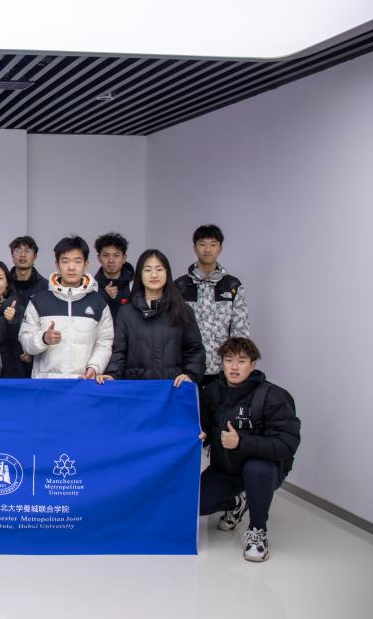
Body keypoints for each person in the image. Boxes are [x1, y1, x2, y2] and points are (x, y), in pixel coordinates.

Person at [199, 337, 300, 562]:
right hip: (226, 469)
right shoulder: (211, 392)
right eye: (229, 360)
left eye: (242, 361)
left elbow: (287, 444)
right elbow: (204, 424)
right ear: (222, 363)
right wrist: (201, 434)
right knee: (197, 503)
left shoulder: (273, 396)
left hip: (263, 470)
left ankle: (257, 531)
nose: (234, 367)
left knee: (256, 469)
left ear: (253, 365)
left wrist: (241, 442)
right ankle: (237, 503)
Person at [100, 249, 205, 385]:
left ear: (167, 273)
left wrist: (191, 374)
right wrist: (112, 374)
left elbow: (195, 349)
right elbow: (119, 352)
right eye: (148, 270)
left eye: (159, 269)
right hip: (137, 388)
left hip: (173, 388)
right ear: (140, 274)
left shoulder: (182, 310)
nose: (154, 275)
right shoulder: (126, 312)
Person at [18, 236, 114, 379]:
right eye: (65, 261)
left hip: (83, 383)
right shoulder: (39, 300)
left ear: (86, 264)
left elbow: (104, 341)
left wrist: (94, 367)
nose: (71, 267)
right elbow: (25, 341)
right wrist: (43, 338)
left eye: (77, 261)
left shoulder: (98, 302)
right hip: (46, 385)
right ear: (57, 264)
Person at [175, 224, 250, 387]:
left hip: (221, 371)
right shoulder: (180, 286)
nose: (207, 249)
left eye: (213, 244)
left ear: (220, 249)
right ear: (194, 248)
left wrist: (235, 367)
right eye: (202, 244)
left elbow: (240, 331)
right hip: (186, 370)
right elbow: (171, 329)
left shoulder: (232, 286)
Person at [9, 235, 49, 376]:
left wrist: (33, 350)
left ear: (35, 256)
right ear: (12, 255)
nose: (22, 255)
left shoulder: (46, 287)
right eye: (18, 250)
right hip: (8, 354)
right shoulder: (3, 285)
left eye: (27, 251)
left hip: (37, 355)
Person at [94, 232, 134, 316]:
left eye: (116, 255)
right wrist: (104, 295)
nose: (111, 260)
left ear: (124, 258)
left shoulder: (134, 285)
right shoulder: (91, 286)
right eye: (106, 255)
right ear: (99, 258)